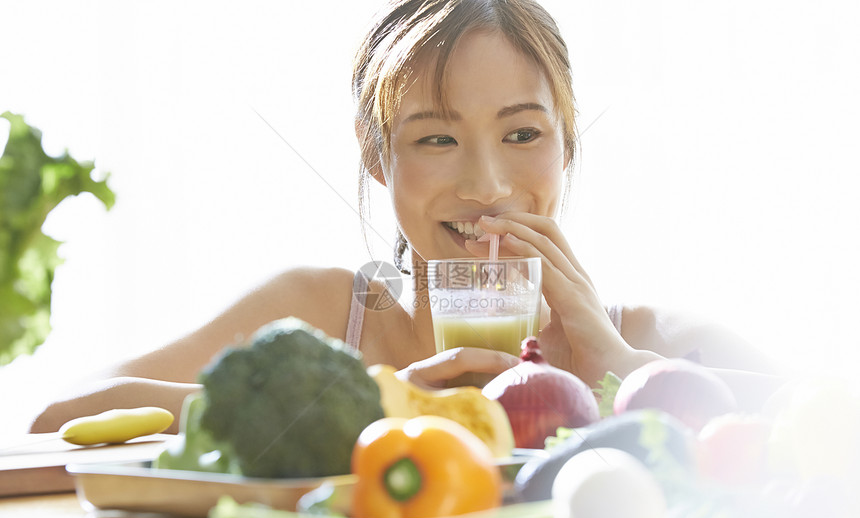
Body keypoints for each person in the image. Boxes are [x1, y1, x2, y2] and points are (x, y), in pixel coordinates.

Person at [29, 0, 780, 434]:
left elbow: (829, 432)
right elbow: (57, 419)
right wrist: (363, 403)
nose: (486, 186)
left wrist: (617, 369)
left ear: (567, 143)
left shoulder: (643, 339)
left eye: (523, 134)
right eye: (436, 138)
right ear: (379, 156)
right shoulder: (325, 316)